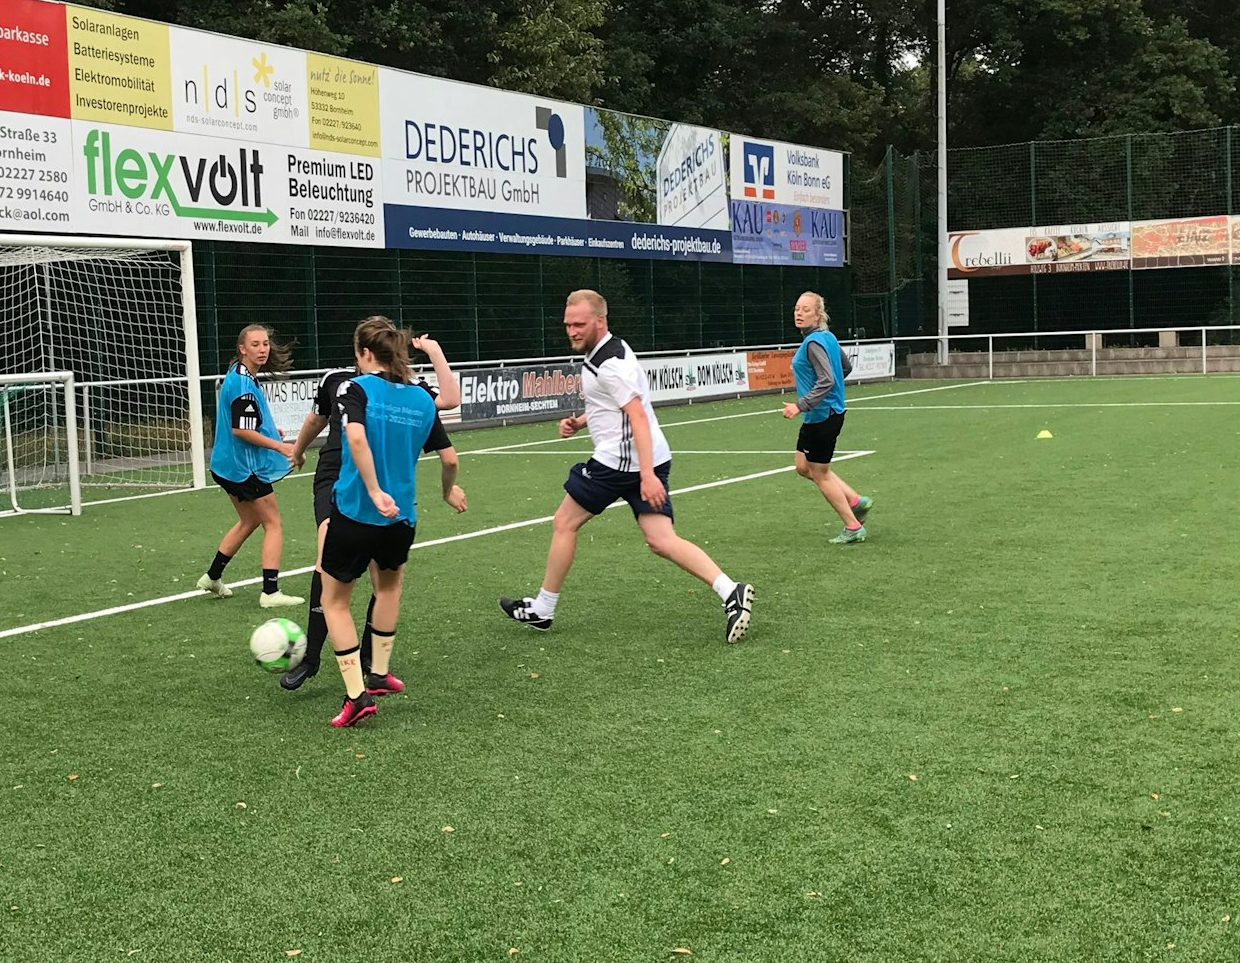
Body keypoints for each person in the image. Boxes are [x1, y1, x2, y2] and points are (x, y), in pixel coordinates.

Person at [499, 289, 754, 642]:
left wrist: (647, 476)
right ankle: (732, 592)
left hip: (621, 463)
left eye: (579, 324)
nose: (572, 331)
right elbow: (616, 405)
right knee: (661, 540)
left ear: (599, 321)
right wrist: (581, 422)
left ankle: (543, 608)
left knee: (564, 523)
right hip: (643, 458)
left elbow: (636, 416)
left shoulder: (610, 365)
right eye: (568, 324)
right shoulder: (610, 349)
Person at [279, 323, 465, 691]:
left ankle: (369, 663)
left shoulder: (401, 389)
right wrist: (298, 451)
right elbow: (316, 419)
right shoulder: (339, 381)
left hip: (374, 481)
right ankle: (312, 657)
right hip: (336, 474)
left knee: (376, 574)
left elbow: (448, 399)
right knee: (327, 560)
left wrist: (436, 351)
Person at [320, 319, 448, 727]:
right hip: (402, 518)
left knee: (335, 601)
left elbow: (355, 439)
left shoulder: (355, 389)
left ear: (363, 354)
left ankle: (357, 695)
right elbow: (450, 458)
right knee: (390, 586)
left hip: (357, 510)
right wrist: (449, 491)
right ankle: (379, 672)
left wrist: (374, 491)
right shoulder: (420, 398)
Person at [196, 324, 302, 606]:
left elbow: (249, 422)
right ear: (242, 348)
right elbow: (241, 431)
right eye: (255, 344)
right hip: (242, 468)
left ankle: (212, 577)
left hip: (225, 466)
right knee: (274, 523)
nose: (263, 349)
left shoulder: (240, 376)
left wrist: (271, 431)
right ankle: (270, 592)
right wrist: (279, 445)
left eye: (265, 343)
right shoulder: (243, 382)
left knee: (250, 520)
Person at [781, 291, 872, 543]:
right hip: (821, 415)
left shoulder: (813, 343)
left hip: (822, 416)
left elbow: (828, 379)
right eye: (797, 308)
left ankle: (853, 527)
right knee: (802, 466)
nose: (799, 313)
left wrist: (801, 404)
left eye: (806, 310)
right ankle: (855, 500)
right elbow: (845, 368)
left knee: (821, 474)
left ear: (818, 314)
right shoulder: (826, 337)